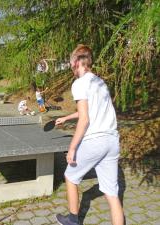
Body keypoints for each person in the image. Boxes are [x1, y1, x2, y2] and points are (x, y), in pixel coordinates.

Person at [54, 44, 124, 225]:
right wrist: (67, 117)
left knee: (70, 177)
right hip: (112, 140)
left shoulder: (79, 83)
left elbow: (84, 120)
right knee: (112, 194)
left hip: (95, 141)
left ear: (77, 62)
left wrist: (72, 148)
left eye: (70, 63)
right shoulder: (100, 82)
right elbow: (89, 110)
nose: (70, 67)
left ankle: (72, 220)